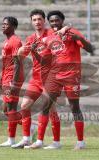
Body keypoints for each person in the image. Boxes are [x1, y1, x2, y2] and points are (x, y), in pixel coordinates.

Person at [28, 10, 94, 150]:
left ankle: (81, 142)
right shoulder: (50, 37)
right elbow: (44, 60)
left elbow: (90, 49)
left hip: (72, 75)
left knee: (74, 107)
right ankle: (41, 141)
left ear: (62, 20)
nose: (54, 23)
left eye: (57, 20)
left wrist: (79, 39)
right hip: (55, 75)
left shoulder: (72, 33)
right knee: (45, 105)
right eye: (51, 21)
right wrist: (34, 52)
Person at [11, 9, 67, 149]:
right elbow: (21, 57)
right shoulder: (30, 39)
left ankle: (51, 142)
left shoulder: (52, 34)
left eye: (40, 19)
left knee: (49, 108)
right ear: (31, 22)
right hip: (36, 79)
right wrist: (19, 52)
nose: (37, 22)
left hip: (51, 78)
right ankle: (26, 138)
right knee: (24, 105)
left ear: (44, 21)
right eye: (34, 20)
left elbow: (59, 51)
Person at [0, 16, 24, 147]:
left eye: (6, 24)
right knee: (6, 110)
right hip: (6, 77)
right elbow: (5, 63)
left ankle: (11, 140)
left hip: (13, 77)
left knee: (11, 108)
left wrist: (14, 82)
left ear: (13, 26)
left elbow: (17, 63)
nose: (3, 26)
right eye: (2, 24)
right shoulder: (7, 41)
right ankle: (30, 126)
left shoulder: (15, 41)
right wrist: (1, 79)